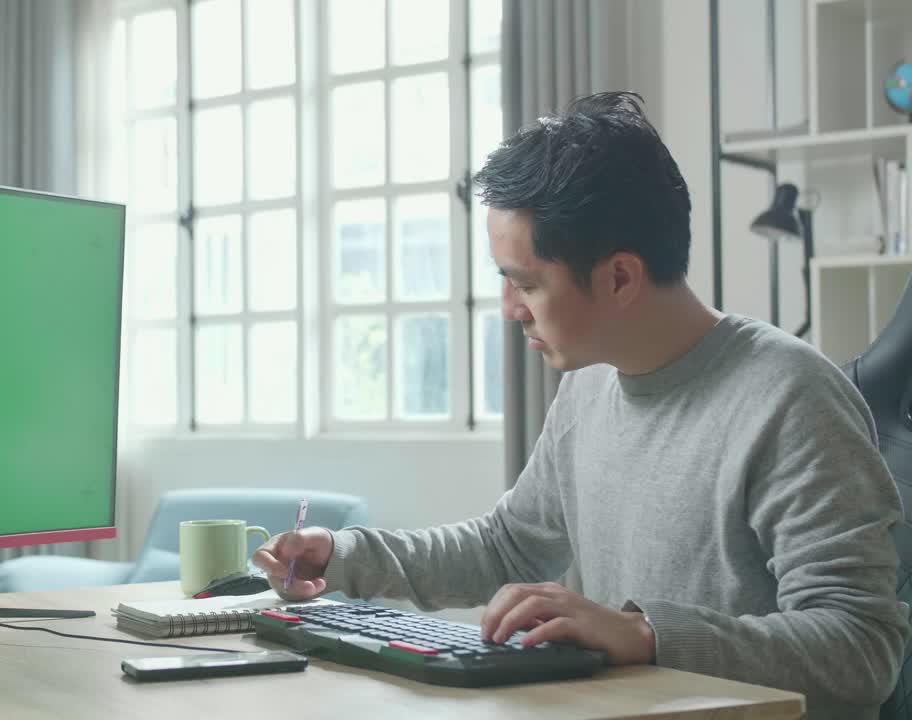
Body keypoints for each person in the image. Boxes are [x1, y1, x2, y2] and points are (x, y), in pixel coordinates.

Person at [252, 91, 909, 719]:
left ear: (620, 276)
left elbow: (859, 650)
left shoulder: (791, 396)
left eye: (526, 283)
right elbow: (508, 548)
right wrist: (342, 555)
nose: (509, 309)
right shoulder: (591, 386)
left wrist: (645, 633)